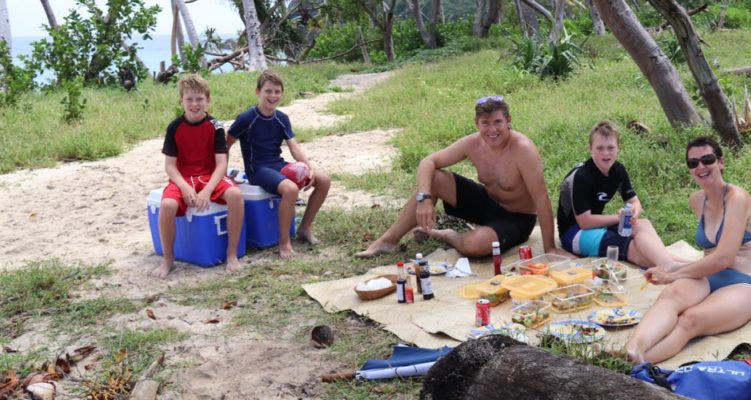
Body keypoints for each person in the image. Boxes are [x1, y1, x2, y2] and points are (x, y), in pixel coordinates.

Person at [357, 96, 567, 258]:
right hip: (486, 204)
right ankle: (388, 240)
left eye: (498, 122)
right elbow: (428, 162)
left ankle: (446, 234)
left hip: (516, 219)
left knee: (476, 246)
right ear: (477, 123)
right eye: (485, 123)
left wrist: (549, 246)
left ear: (508, 121)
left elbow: (542, 199)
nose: (492, 129)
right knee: (436, 178)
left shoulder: (523, 149)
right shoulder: (473, 143)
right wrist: (424, 199)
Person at [625, 136, 751, 364]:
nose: (700, 167)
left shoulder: (737, 199)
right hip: (707, 275)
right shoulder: (697, 201)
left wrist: (672, 273)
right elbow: (709, 258)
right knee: (671, 297)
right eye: (693, 163)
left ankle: (634, 364)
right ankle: (632, 347)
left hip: (743, 283)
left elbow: (724, 258)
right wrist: (678, 272)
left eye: (707, 159)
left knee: (689, 320)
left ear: (721, 162)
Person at [227, 70, 331, 258]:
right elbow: (225, 144)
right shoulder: (246, 118)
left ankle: (305, 227)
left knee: (323, 180)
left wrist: (310, 168)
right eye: (268, 91)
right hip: (257, 169)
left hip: (277, 164)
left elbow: (294, 147)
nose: (273, 96)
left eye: (277, 91)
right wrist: (222, 173)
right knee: (290, 189)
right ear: (258, 91)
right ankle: (284, 243)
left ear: (281, 94)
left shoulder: (281, 118)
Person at [152, 74, 244, 278]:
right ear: (181, 101)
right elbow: (170, 166)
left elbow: (222, 164)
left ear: (208, 100)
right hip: (183, 177)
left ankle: (232, 254)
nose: (195, 104)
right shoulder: (175, 126)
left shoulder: (215, 125)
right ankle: (168, 260)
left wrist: (208, 190)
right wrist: (184, 187)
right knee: (166, 205)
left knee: (236, 196)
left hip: (210, 175)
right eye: (189, 99)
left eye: (200, 99)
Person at [556, 120, 680, 268]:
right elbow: (585, 222)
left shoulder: (618, 170)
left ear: (618, 148)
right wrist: (618, 218)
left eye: (611, 147)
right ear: (590, 148)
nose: (606, 153)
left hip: (596, 227)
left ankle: (674, 264)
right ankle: (674, 267)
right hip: (574, 233)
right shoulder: (582, 176)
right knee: (628, 244)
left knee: (643, 224)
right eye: (600, 148)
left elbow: (634, 201)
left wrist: (634, 212)